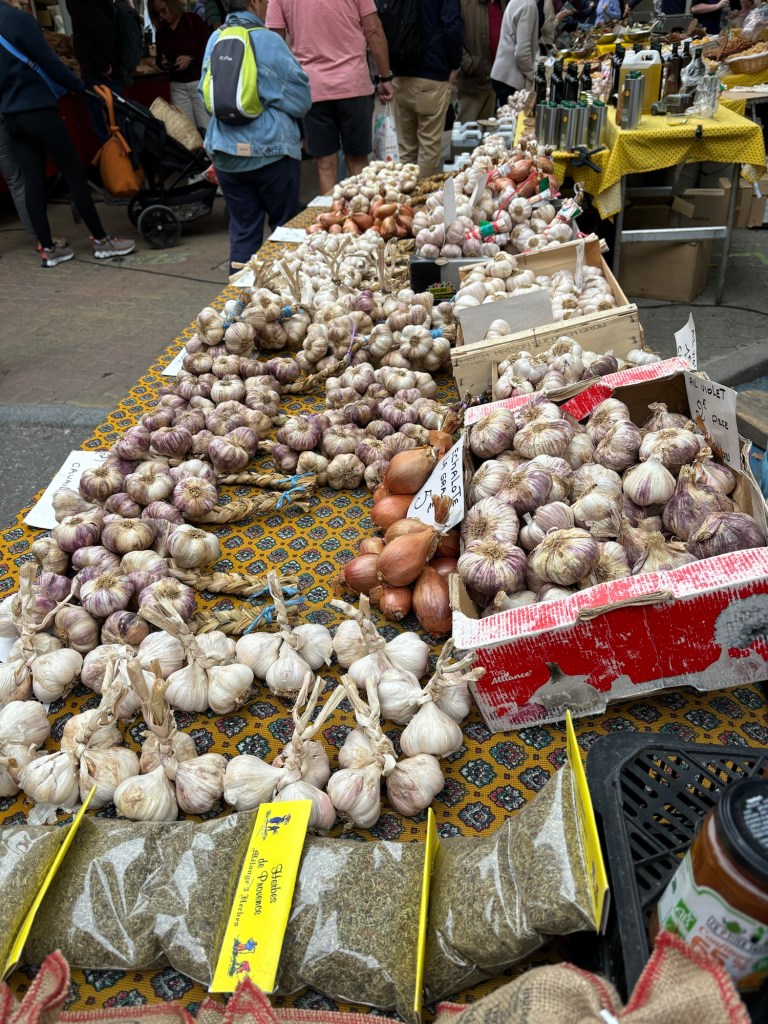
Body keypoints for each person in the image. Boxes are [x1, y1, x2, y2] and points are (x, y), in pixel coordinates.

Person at [0, 0, 135, 266]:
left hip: (11, 115)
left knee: (32, 181)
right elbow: (48, 60)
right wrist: (77, 85)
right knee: (73, 172)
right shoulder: (17, 19)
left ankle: (48, 249)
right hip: (38, 107)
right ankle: (101, 241)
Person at [199, 0, 311, 273]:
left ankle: (239, 296)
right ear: (254, 2)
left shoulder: (215, 39)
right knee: (285, 232)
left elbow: (206, 96)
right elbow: (301, 99)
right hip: (272, 152)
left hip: (226, 154)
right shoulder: (268, 41)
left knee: (243, 232)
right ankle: (285, 293)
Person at [266, 0, 393, 195]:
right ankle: (363, 212)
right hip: (354, 85)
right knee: (358, 162)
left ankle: (331, 212)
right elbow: (373, 29)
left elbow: (275, 43)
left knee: (325, 165)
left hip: (312, 90)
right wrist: (385, 76)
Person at [392, 0, 463, 177]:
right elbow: (452, 27)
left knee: (406, 148)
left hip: (400, 74)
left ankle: (405, 190)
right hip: (433, 73)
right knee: (429, 147)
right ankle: (423, 192)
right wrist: (455, 65)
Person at [66, 0, 125, 143]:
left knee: (111, 133)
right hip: (103, 71)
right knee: (118, 127)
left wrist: (102, 64)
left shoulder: (80, 3)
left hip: (99, 74)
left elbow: (104, 27)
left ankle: (118, 156)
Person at [150, 0, 211, 132]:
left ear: (172, 5)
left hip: (198, 83)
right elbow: (159, 59)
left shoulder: (192, 20)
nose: (161, 15)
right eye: (157, 13)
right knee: (186, 132)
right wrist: (164, 64)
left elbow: (209, 49)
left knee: (206, 129)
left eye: (163, 10)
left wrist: (190, 58)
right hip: (177, 86)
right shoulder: (162, 32)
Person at [458, 0, 508, 123]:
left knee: (487, 132)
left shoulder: (500, 3)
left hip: (493, 81)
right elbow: (453, 36)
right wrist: (468, 65)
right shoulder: (465, 4)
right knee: (467, 130)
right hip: (473, 83)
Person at [490, 0, 539, 106]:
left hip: (502, 74)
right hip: (510, 79)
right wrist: (532, 75)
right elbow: (522, 52)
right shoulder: (529, 5)